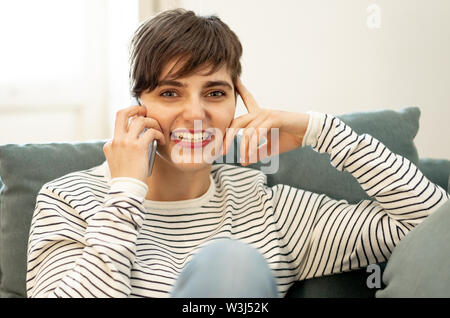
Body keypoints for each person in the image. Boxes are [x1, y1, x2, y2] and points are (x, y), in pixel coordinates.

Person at [26, 8, 448, 298]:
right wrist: (124, 191)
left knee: (230, 263)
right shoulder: (70, 200)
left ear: (236, 106)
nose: (195, 113)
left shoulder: (264, 207)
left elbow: (432, 227)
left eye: (215, 92)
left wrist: (318, 128)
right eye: (170, 92)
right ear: (137, 105)